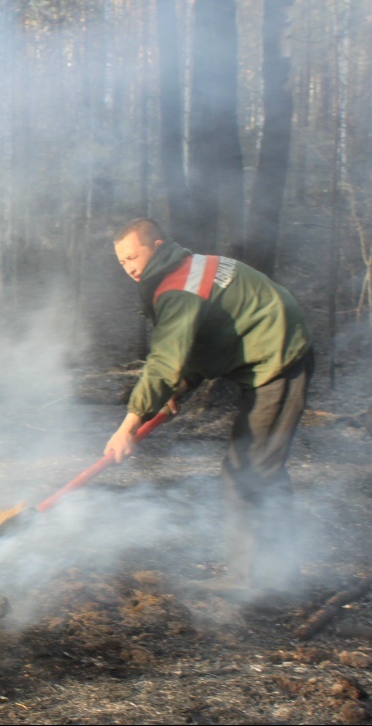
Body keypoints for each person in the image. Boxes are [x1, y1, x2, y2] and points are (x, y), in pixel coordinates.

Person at [105, 218, 314, 600]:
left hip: (279, 358)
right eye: (122, 262)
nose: (130, 267)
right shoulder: (187, 268)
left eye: (134, 256)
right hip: (266, 351)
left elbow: (164, 360)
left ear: (157, 245)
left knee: (246, 473)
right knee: (262, 471)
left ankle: (257, 583)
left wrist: (129, 423)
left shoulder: (178, 288)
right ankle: (281, 577)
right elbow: (203, 342)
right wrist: (179, 389)